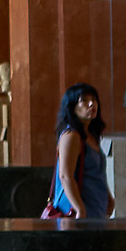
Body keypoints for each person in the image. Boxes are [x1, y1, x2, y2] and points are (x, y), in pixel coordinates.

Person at [48, 84, 112, 220]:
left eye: (94, 100)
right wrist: (80, 209)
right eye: (84, 100)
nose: (91, 104)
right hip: (76, 213)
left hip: (96, 209)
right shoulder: (71, 136)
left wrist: (109, 198)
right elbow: (65, 176)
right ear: (72, 107)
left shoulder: (90, 136)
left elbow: (96, 173)